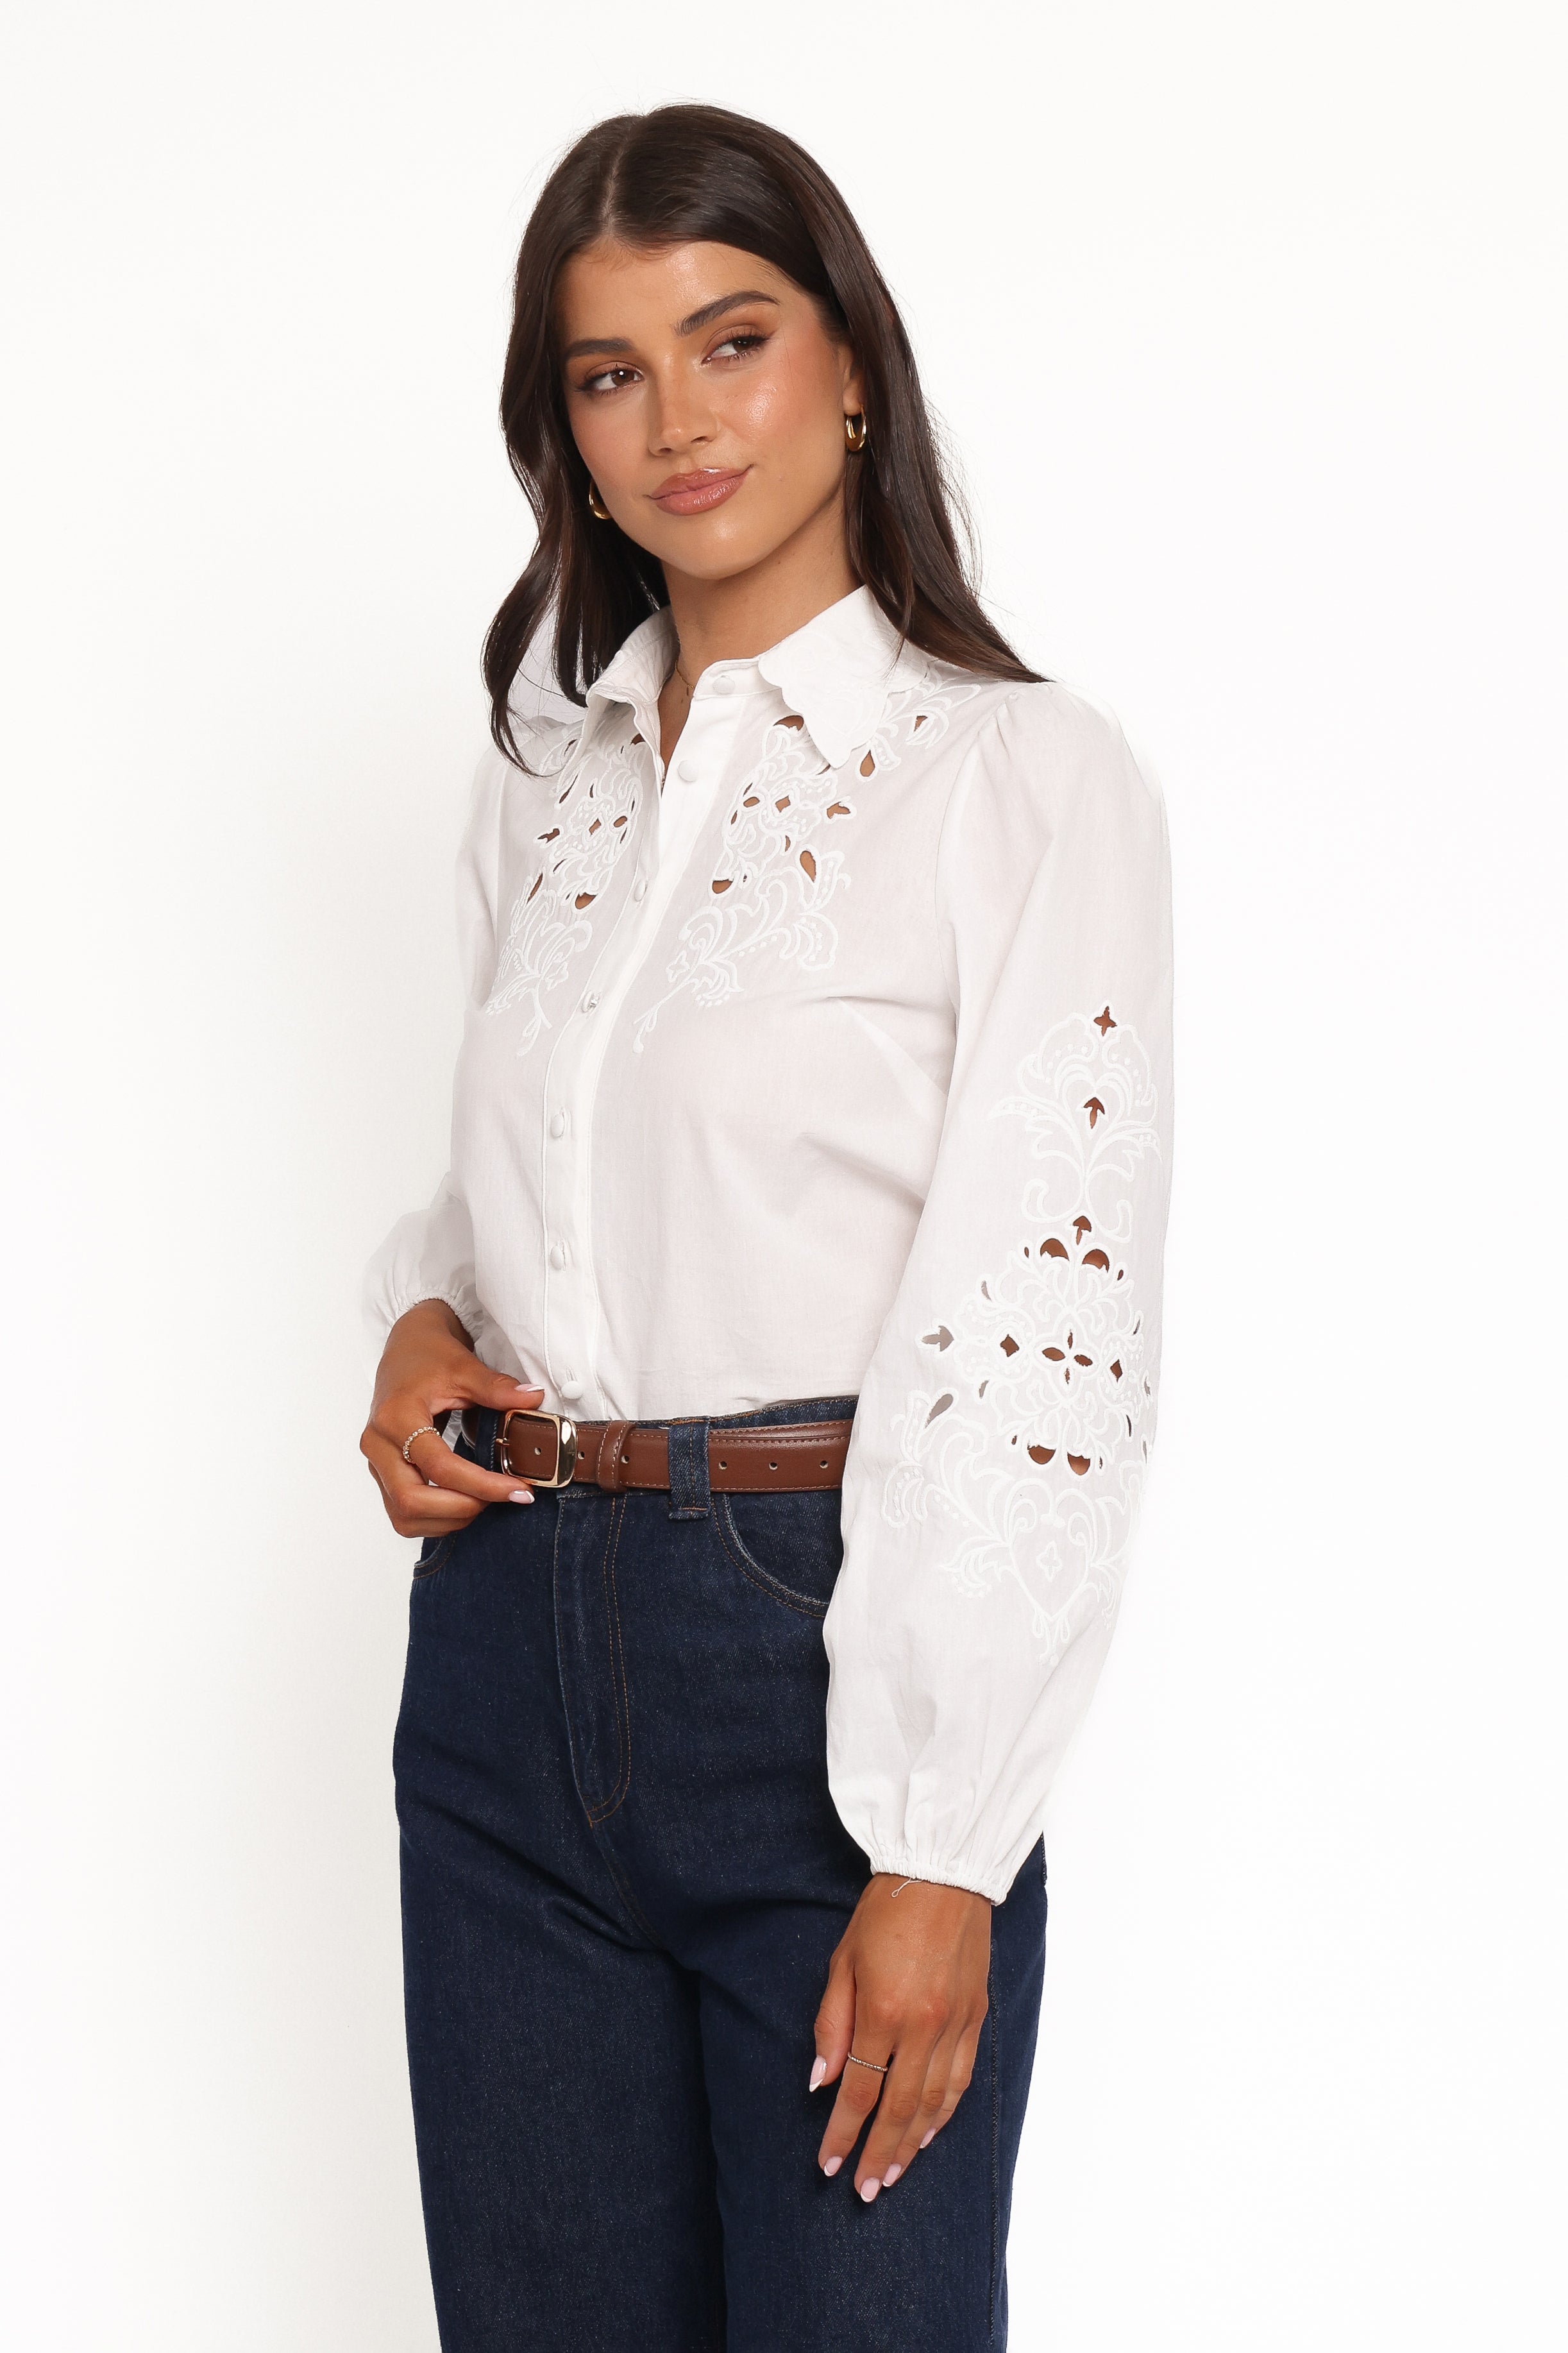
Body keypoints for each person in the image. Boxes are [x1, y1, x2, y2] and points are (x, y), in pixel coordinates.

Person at [361, 101, 1172, 2353]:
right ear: (566, 433)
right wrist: (420, 1321)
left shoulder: (1014, 780)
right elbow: (521, 1186)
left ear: (851, 367)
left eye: (732, 339)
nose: (680, 419)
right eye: (610, 373)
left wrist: (944, 1838)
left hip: (818, 1660)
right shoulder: (548, 788)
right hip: (501, 1658)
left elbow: (1048, 1324)